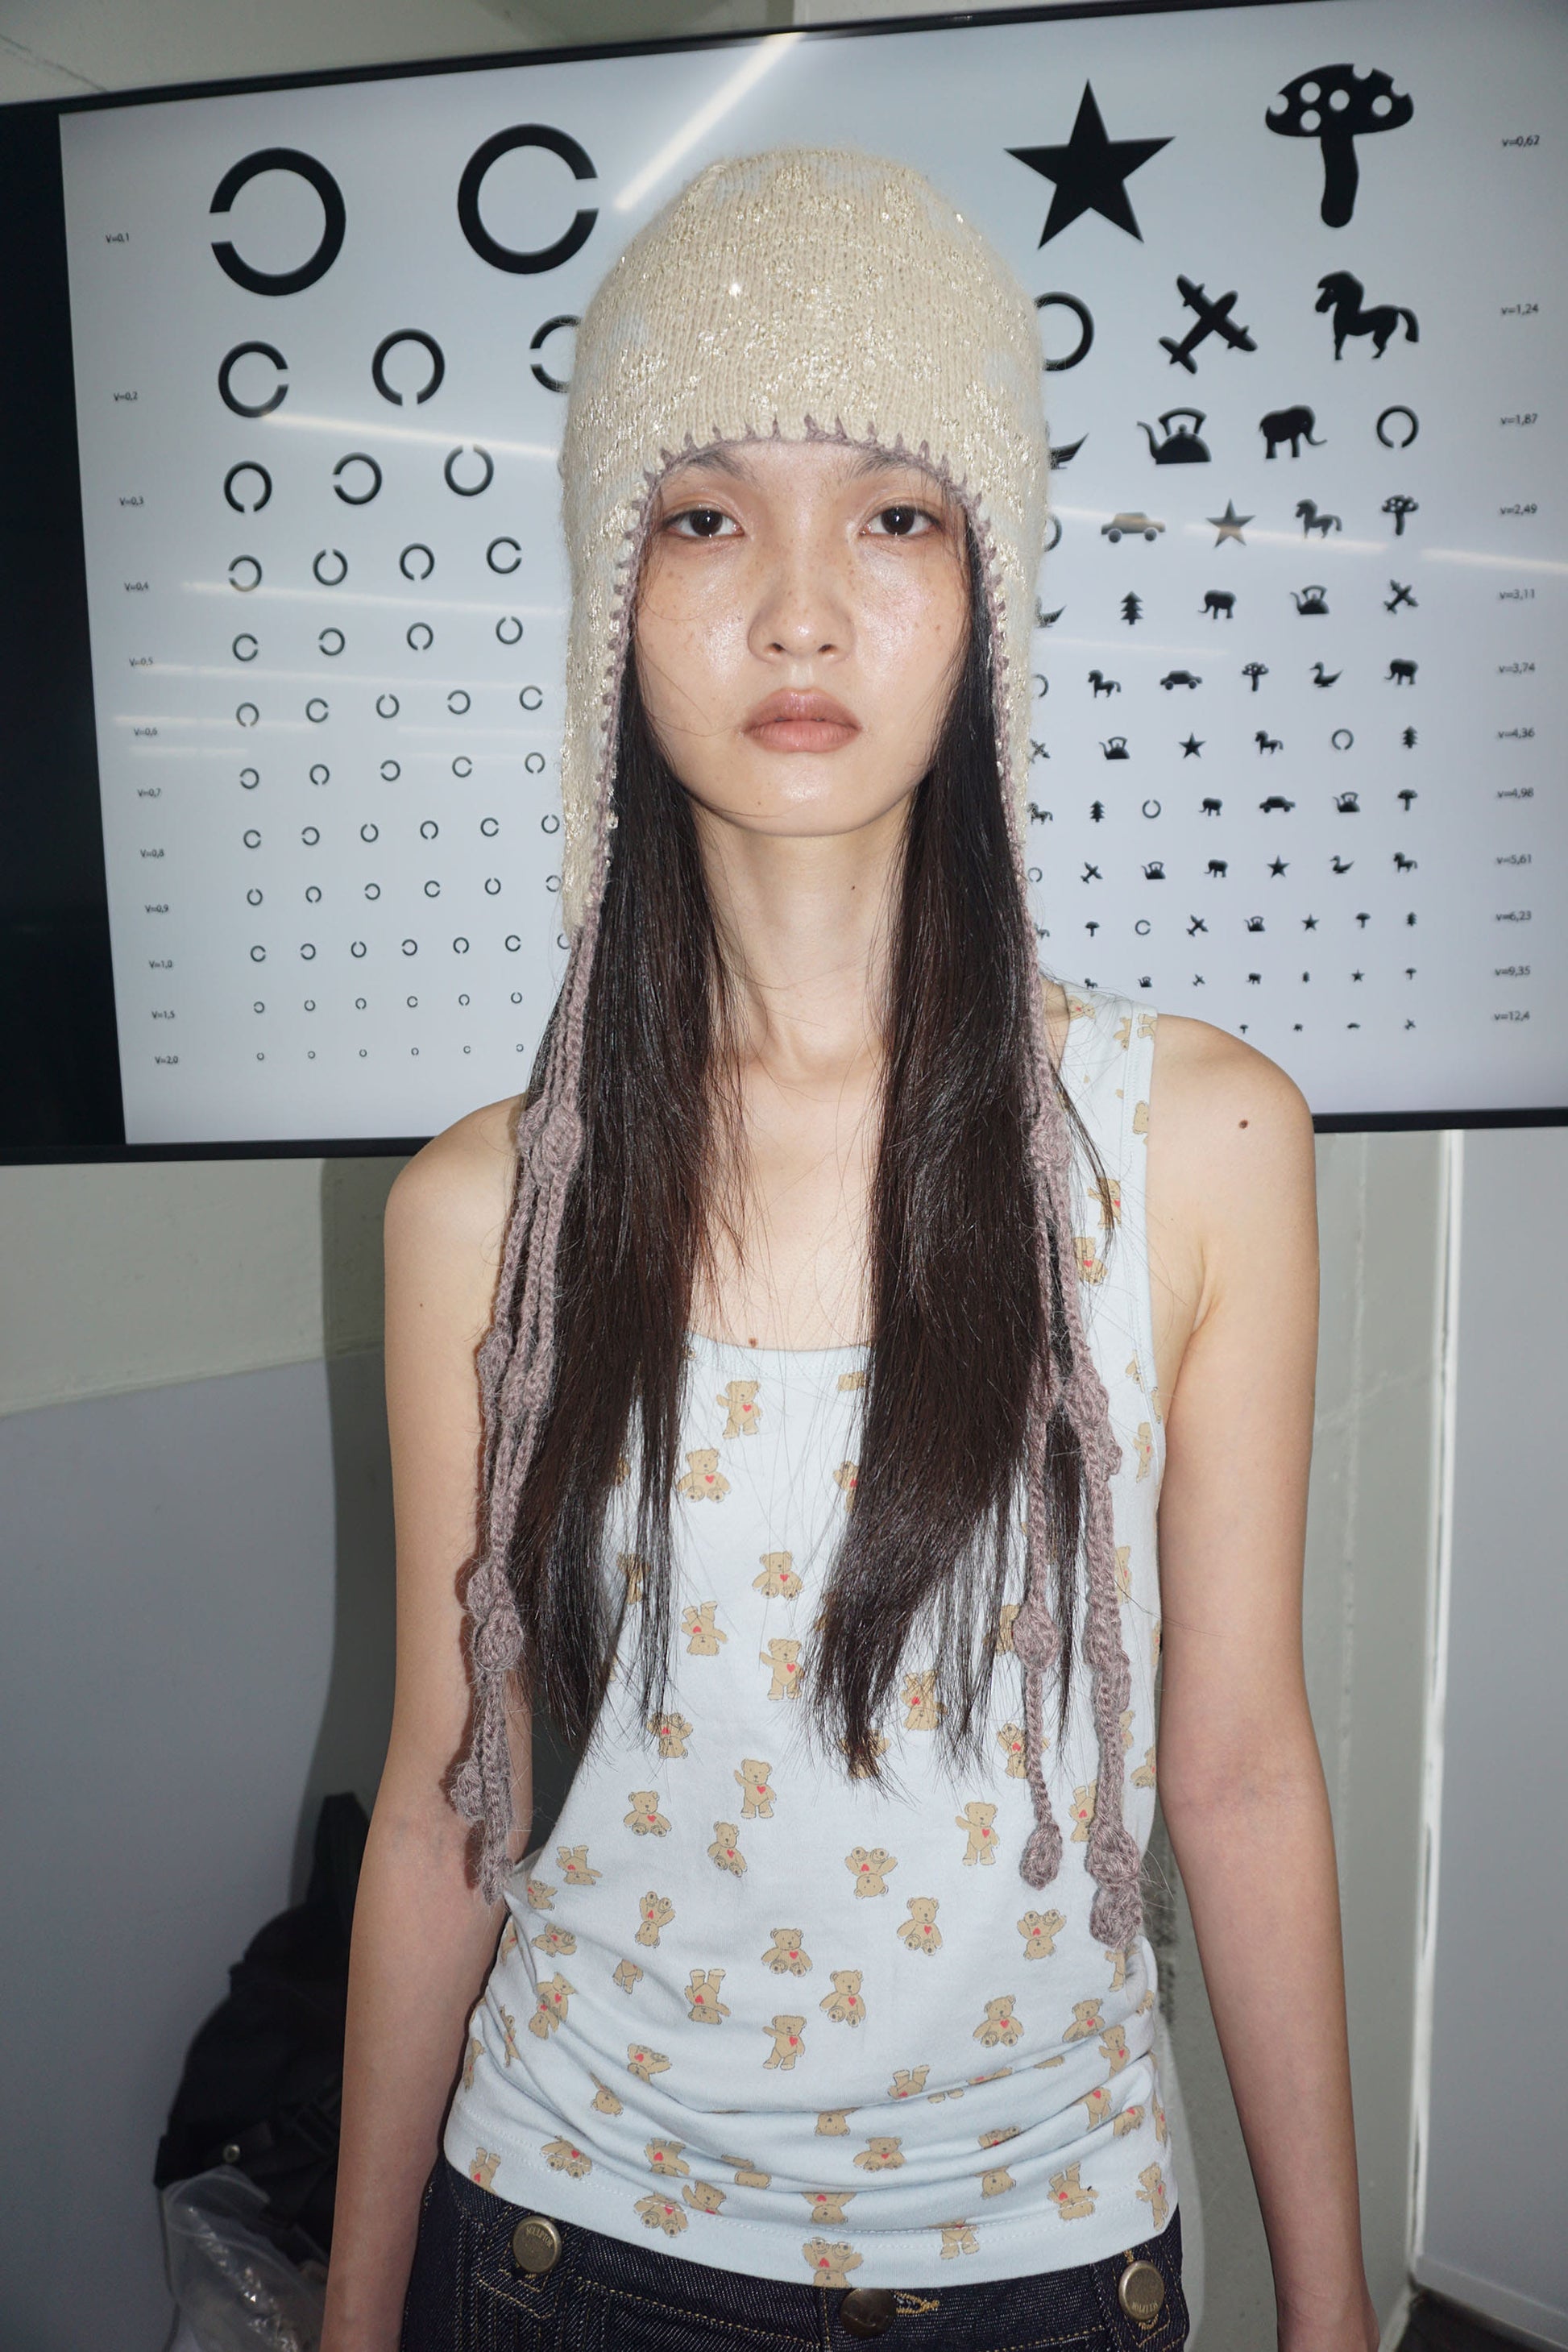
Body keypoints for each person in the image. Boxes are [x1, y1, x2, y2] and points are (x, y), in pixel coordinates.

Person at [321, 149, 1379, 2352]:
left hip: (1045, 2265)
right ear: (614, 596)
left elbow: (1240, 1769)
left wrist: (1329, 2306)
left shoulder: (1197, 1141)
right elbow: (446, 1807)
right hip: (560, 2248)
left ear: (990, 591)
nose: (799, 610)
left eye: (894, 514)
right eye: (707, 517)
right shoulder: (483, 1212)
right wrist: (348, 2318)